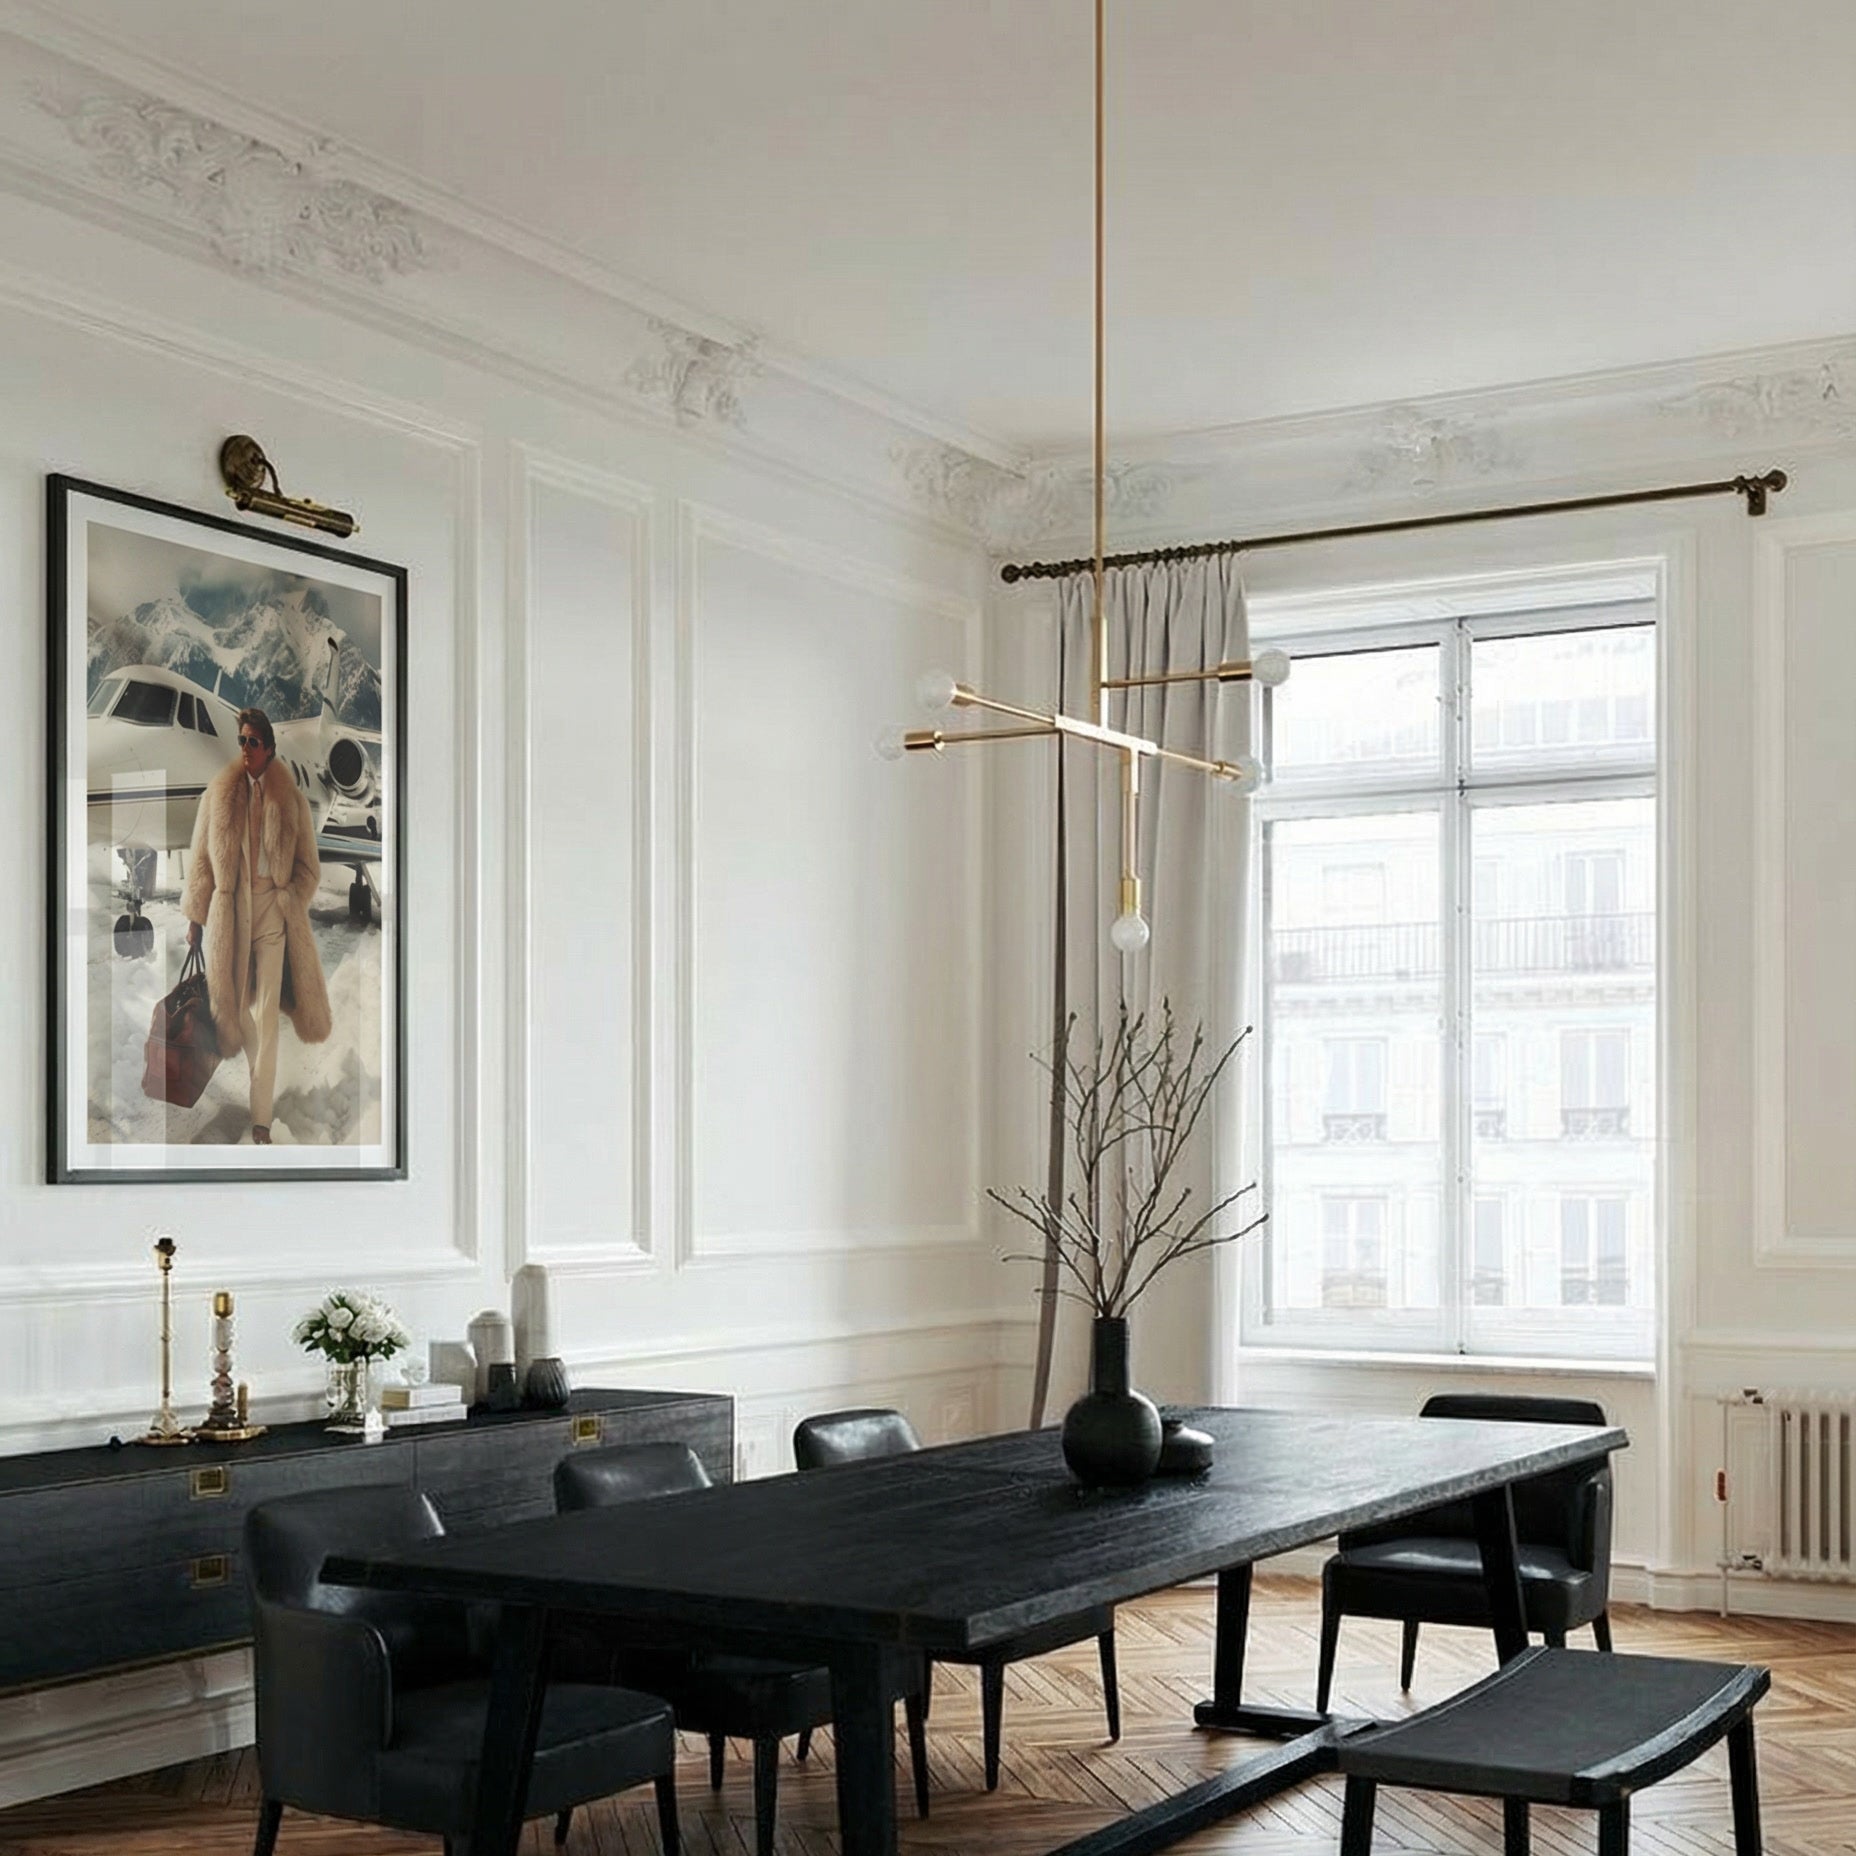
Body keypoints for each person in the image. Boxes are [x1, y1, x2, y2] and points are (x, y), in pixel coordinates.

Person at [182, 708, 331, 1143]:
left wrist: (289, 901)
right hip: (231, 913)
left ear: (269, 748)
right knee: (234, 1007)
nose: (245, 749)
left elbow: (309, 869)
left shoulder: (292, 801)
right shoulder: (218, 793)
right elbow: (201, 862)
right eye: (241, 741)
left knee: (267, 1015)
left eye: (253, 742)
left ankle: (261, 1119)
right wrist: (195, 918)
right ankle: (257, 1071)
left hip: (273, 916)